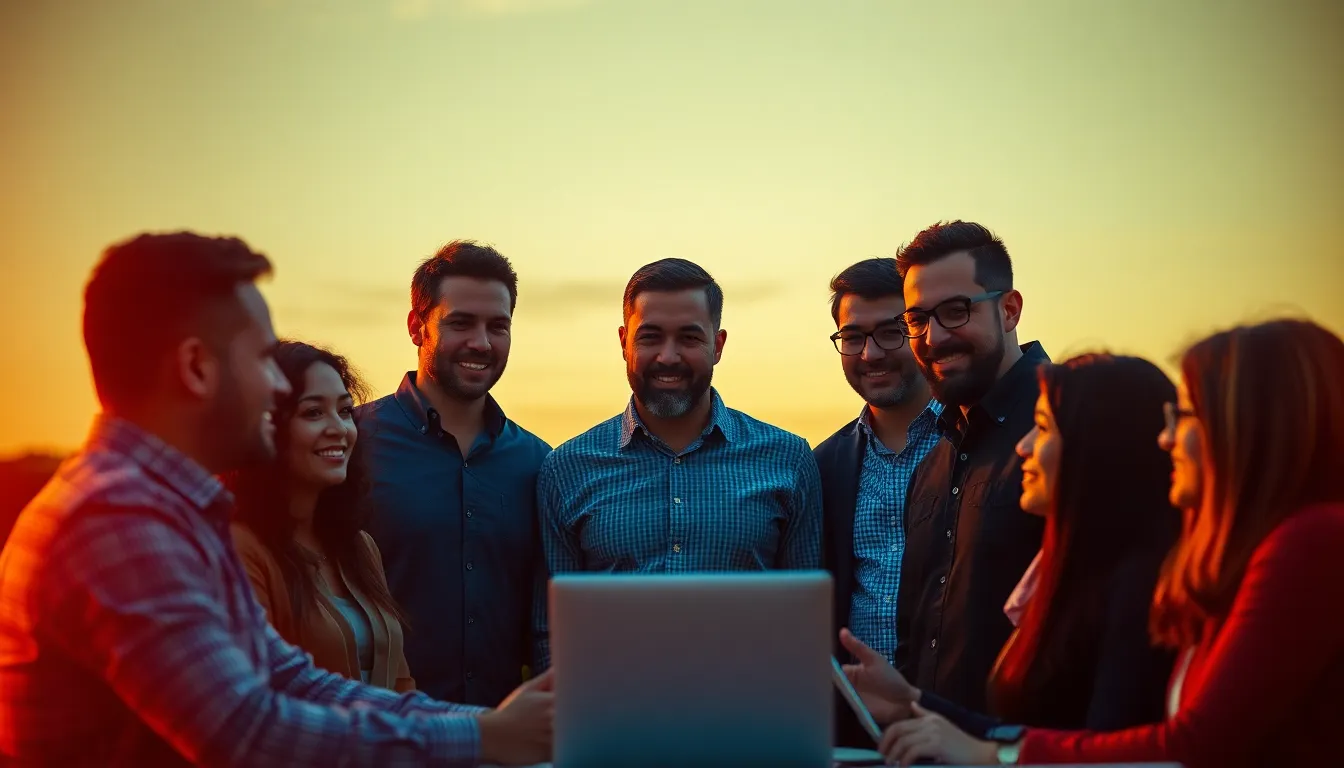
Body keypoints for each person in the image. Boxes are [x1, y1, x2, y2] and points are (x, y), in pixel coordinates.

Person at [0, 232, 552, 766]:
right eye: (263, 359)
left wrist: (482, 728)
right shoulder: (117, 521)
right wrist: (480, 740)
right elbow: (248, 732)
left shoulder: (168, 510)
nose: (277, 385)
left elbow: (290, 677)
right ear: (196, 369)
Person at [874, 319, 1344, 768]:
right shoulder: (1235, 559)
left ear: (1251, 426)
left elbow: (1191, 745)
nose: (1166, 438)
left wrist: (998, 755)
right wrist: (912, 703)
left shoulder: (1308, 545)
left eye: (1184, 417)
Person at [840, 353, 1180, 750]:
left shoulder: (1142, 591)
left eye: (1042, 428)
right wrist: (912, 701)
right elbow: (1019, 731)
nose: (1023, 447)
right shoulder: (1072, 573)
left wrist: (991, 757)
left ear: (1101, 444)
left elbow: (1108, 750)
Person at [532, 257, 823, 670]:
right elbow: (551, 635)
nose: (668, 357)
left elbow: (806, 625)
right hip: (613, 722)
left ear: (718, 345)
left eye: (689, 338)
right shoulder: (567, 469)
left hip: (749, 723)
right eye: (650, 337)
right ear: (623, 341)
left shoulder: (788, 460)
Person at [354, 241, 551, 706]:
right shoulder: (351, 444)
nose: (481, 343)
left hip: (503, 742)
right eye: (460, 323)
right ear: (416, 326)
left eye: (497, 327)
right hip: (379, 740)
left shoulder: (539, 463)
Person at [893, 220, 1048, 712]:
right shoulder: (932, 460)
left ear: (1009, 309)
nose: (933, 337)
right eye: (916, 320)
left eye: (955, 312)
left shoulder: (1068, 430)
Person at [229, 340, 415, 691]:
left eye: (345, 411)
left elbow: (401, 685)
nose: (339, 429)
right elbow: (261, 697)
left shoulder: (359, 547)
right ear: (266, 427)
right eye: (313, 413)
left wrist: (477, 729)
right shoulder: (240, 548)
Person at [813, 258, 943, 746]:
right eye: (852, 337)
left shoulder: (973, 443)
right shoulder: (823, 465)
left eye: (891, 332)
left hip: (962, 723)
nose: (870, 353)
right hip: (858, 731)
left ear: (920, 330)